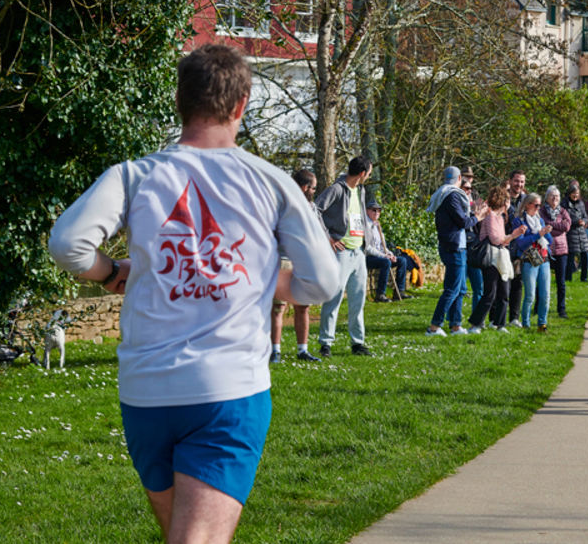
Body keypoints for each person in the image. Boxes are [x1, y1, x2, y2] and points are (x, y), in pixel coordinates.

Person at [47, 44, 339, 543]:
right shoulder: (270, 182)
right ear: (241, 106)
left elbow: (68, 244)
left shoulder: (135, 175)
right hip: (228, 391)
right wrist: (264, 275)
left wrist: (109, 272)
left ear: (180, 102)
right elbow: (324, 282)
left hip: (146, 392)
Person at [316, 155, 375, 357]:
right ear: (361, 173)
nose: (369, 176)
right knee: (334, 297)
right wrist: (329, 239)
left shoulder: (361, 190)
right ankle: (325, 343)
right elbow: (316, 210)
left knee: (358, 299)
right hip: (340, 254)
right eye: (369, 173)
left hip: (359, 253)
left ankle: (357, 343)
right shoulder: (336, 189)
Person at [270, 168, 331, 363]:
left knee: (303, 307)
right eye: (313, 188)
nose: (315, 190)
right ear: (305, 187)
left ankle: (302, 350)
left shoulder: (312, 208)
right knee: (278, 309)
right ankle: (275, 351)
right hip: (284, 261)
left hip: (304, 262)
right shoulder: (281, 205)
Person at [426, 166, 487, 337]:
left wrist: (473, 216)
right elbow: (462, 222)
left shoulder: (444, 193)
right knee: (452, 289)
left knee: (459, 289)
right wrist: (478, 217)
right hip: (454, 247)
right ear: (459, 178)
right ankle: (434, 326)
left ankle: (455, 325)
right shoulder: (452, 195)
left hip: (455, 246)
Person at [467, 186, 526, 333]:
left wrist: (513, 236)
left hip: (501, 258)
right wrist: (512, 235)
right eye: (507, 200)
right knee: (490, 293)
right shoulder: (490, 216)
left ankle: (500, 324)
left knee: (504, 293)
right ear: (502, 201)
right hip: (491, 259)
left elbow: (503, 240)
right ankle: (476, 323)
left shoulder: (500, 218)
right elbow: (495, 239)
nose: (509, 203)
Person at [510, 193, 552, 331]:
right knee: (530, 295)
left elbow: (550, 241)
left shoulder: (539, 220)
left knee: (545, 294)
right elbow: (521, 243)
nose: (538, 208)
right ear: (527, 204)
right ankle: (526, 323)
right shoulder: (519, 221)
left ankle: (542, 323)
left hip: (544, 258)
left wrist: (546, 232)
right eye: (536, 205)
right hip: (529, 259)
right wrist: (537, 235)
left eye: (540, 205)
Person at [364, 200, 410, 302]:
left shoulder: (377, 225)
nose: (377, 213)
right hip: (368, 257)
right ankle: (380, 294)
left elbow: (382, 245)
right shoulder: (365, 225)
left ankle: (399, 292)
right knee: (386, 262)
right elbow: (367, 248)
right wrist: (384, 256)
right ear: (367, 211)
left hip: (380, 256)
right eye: (374, 210)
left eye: (379, 210)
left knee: (402, 260)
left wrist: (390, 254)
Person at [542, 186, 572, 318]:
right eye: (552, 196)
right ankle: (540, 307)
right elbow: (542, 225)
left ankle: (562, 309)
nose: (555, 198)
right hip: (545, 249)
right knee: (542, 281)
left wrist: (551, 225)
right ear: (547, 198)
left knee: (561, 282)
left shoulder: (563, 211)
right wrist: (557, 227)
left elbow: (567, 226)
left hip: (561, 250)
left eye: (557, 196)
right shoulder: (542, 211)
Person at [504, 170, 528, 327]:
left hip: (520, 247)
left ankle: (514, 318)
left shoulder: (527, 200)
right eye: (516, 181)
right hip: (504, 244)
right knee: (502, 283)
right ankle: (496, 319)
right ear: (510, 181)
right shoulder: (502, 198)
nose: (519, 184)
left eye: (522, 182)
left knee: (518, 283)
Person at [461, 167, 484, 313]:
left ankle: (477, 318)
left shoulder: (475, 196)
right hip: (460, 245)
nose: (469, 186)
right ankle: (454, 320)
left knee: (479, 286)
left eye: (471, 178)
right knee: (460, 287)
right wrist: (475, 215)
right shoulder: (454, 199)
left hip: (474, 244)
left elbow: (480, 222)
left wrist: (479, 215)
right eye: (465, 178)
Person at [562, 183, 588, 283]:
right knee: (570, 256)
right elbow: (564, 219)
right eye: (573, 193)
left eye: (577, 193)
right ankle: (568, 277)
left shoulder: (581, 203)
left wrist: (584, 222)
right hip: (571, 232)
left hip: (582, 232)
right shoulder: (564, 204)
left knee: (586, 254)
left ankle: (584, 277)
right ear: (569, 193)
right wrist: (575, 222)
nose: (575, 195)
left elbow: (586, 217)